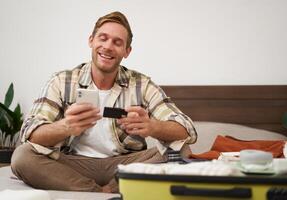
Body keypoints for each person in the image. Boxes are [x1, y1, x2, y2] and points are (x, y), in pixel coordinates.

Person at [11, 11, 197, 193]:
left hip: (126, 164)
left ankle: (115, 186)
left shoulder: (142, 84)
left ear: (127, 51)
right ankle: (99, 191)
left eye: (117, 42)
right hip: (73, 164)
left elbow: (186, 129)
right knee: (22, 156)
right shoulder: (62, 81)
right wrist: (65, 126)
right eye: (103, 38)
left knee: (181, 151)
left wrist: (152, 126)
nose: (108, 47)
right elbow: (30, 132)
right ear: (91, 40)